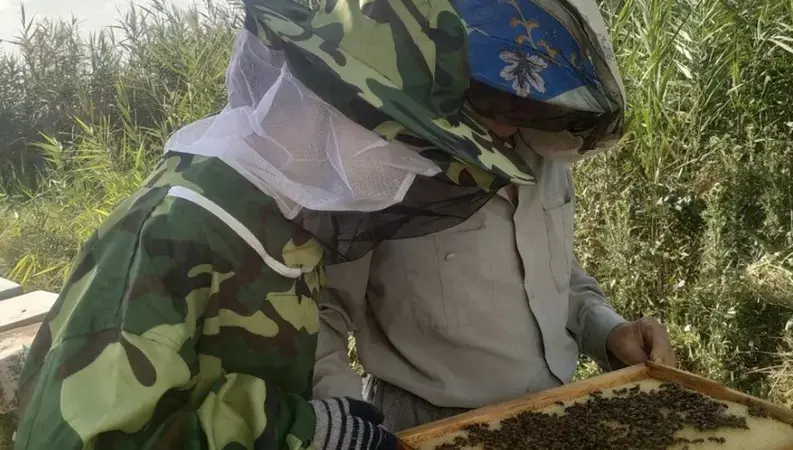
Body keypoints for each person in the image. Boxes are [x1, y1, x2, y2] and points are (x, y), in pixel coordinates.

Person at [12, 1, 654, 450]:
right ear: (349, 106)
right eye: (419, 145)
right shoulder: (175, 226)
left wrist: (322, 425)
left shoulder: (288, 218)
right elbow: (76, 439)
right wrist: (315, 428)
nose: (420, 172)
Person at [311, 0, 677, 433]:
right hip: (428, 424)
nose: (506, 124)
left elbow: (558, 280)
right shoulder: (378, 170)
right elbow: (321, 317)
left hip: (553, 414)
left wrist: (611, 331)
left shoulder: (543, 156)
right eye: (486, 97)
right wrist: (354, 428)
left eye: (520, 100)